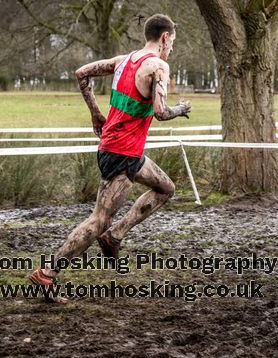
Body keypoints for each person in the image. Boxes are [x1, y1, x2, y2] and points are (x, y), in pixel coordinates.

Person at [28, 14, 191, 303]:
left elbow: (82, 73)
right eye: (173, 42)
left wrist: (95, 112)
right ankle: (48, 273)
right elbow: (161, 111)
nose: (172, 49)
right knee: (98, 220)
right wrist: (181, 108)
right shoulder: (158, 66)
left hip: (124, 150)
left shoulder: (124, 60)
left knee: (166, 188)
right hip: (121, 153)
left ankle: (115, 236)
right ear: (164, 37)